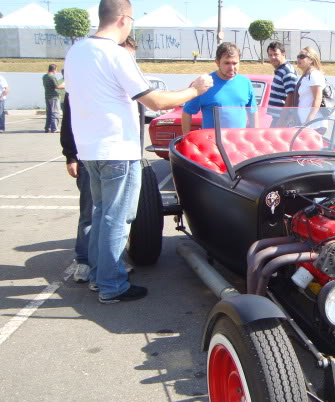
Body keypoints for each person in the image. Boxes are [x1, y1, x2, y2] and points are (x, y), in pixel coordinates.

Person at [64, 0, 212, 304]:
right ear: (123, 19)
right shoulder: (115, 54)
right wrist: (195, 90)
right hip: (117, 149)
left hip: (90, 149)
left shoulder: (77, 51)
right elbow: (154, 101)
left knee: (102, 213)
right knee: (117, 219)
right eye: (131, 20)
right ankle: (111, 284)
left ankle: (98, 275)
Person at [60, 35, 140, 284]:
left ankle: (102, 269)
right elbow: (69, 120)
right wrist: (70, 154)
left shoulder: (117, 81)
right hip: (102, 155)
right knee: (102, 215)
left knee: (106, 215)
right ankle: (97, 270)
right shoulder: (95, 80)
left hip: (102, 154)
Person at [182, 42, 256, 134]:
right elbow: (187, 112)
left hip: (237, 144)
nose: (232, 67)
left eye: (235, 63)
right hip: (213, 144)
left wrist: (255, 137)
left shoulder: (245, 83)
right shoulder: (204, 84)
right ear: (217, 62)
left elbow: (253, 112)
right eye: (227, 63)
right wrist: (186, 138)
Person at [266, 41, 298, 126]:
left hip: (283, 119)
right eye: (270, 55)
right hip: (278, 118)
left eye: (276, 54)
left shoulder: (287, 71)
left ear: (284, 54)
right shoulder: (281, 70)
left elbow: (291, 95)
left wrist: (282, 119)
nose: (273, 57)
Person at [294, 47, 326, 125]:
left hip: (314, 125)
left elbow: (317, 98)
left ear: (311, 60)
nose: (298, 59)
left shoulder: (314, 75)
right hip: (304, 123)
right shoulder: (306, 76)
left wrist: (308, 121)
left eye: (302, 57)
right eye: (298, 56)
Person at [42, 64, 64, 133]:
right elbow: (56, 86)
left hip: (47, 96)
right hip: (54, 96)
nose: (56, 71)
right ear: (54, 69)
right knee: (55, 113)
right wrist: (65, 86)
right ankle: (54, 128)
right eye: (56, 70)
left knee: (49, 113)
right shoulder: (52, 77)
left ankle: (47, 127)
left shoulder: (44, 76)